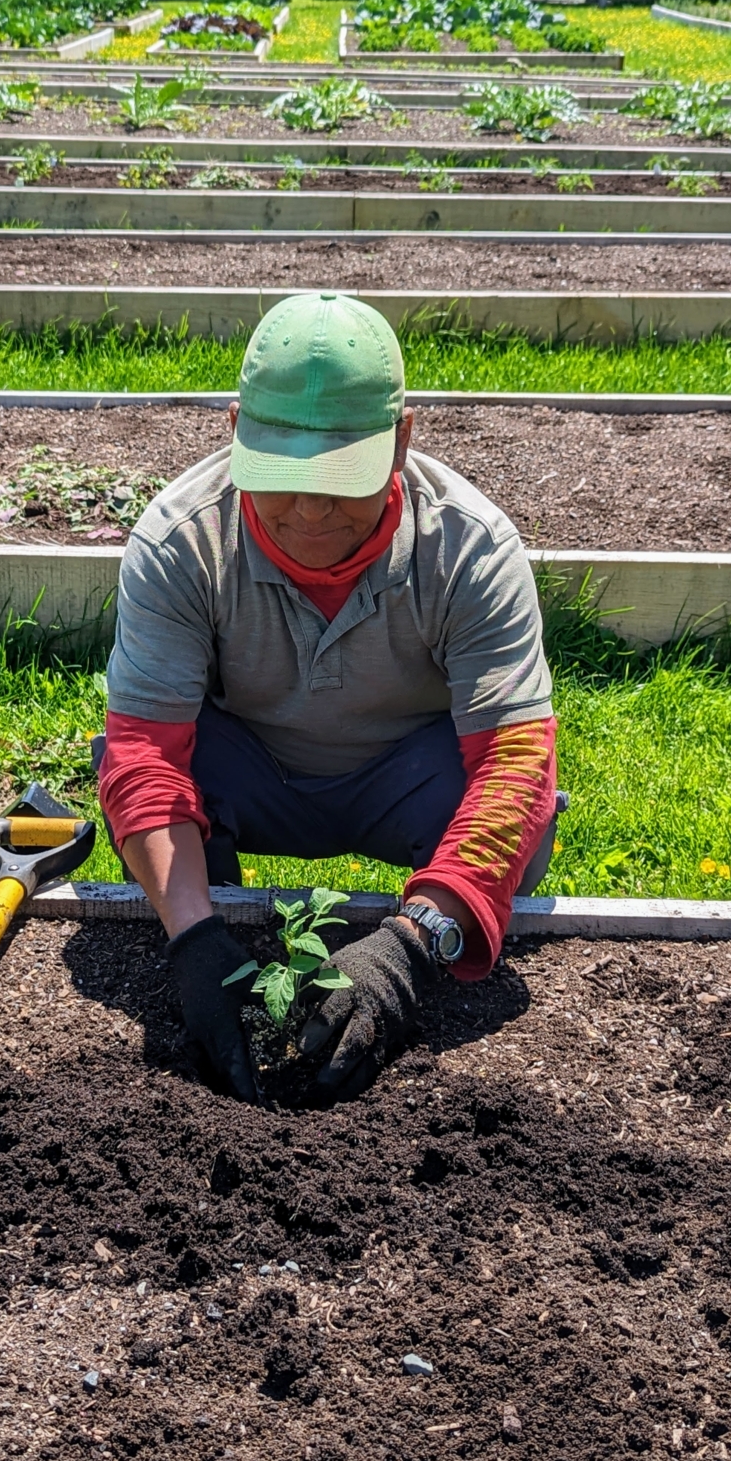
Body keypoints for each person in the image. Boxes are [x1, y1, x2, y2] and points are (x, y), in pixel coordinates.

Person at [95, 292, 560, 1105]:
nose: (310, 509)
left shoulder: (468, 547)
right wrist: (196, 943)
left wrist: (411, 947)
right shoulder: (180, 541)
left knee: (516, 814)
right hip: (247, 771)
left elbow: (513, 760)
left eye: (341, 478)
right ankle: (215, 916)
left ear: (401, 439)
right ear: (235, 431)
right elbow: (145, 754)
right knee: (145, 769)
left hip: (410, 778)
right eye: (281, 476)